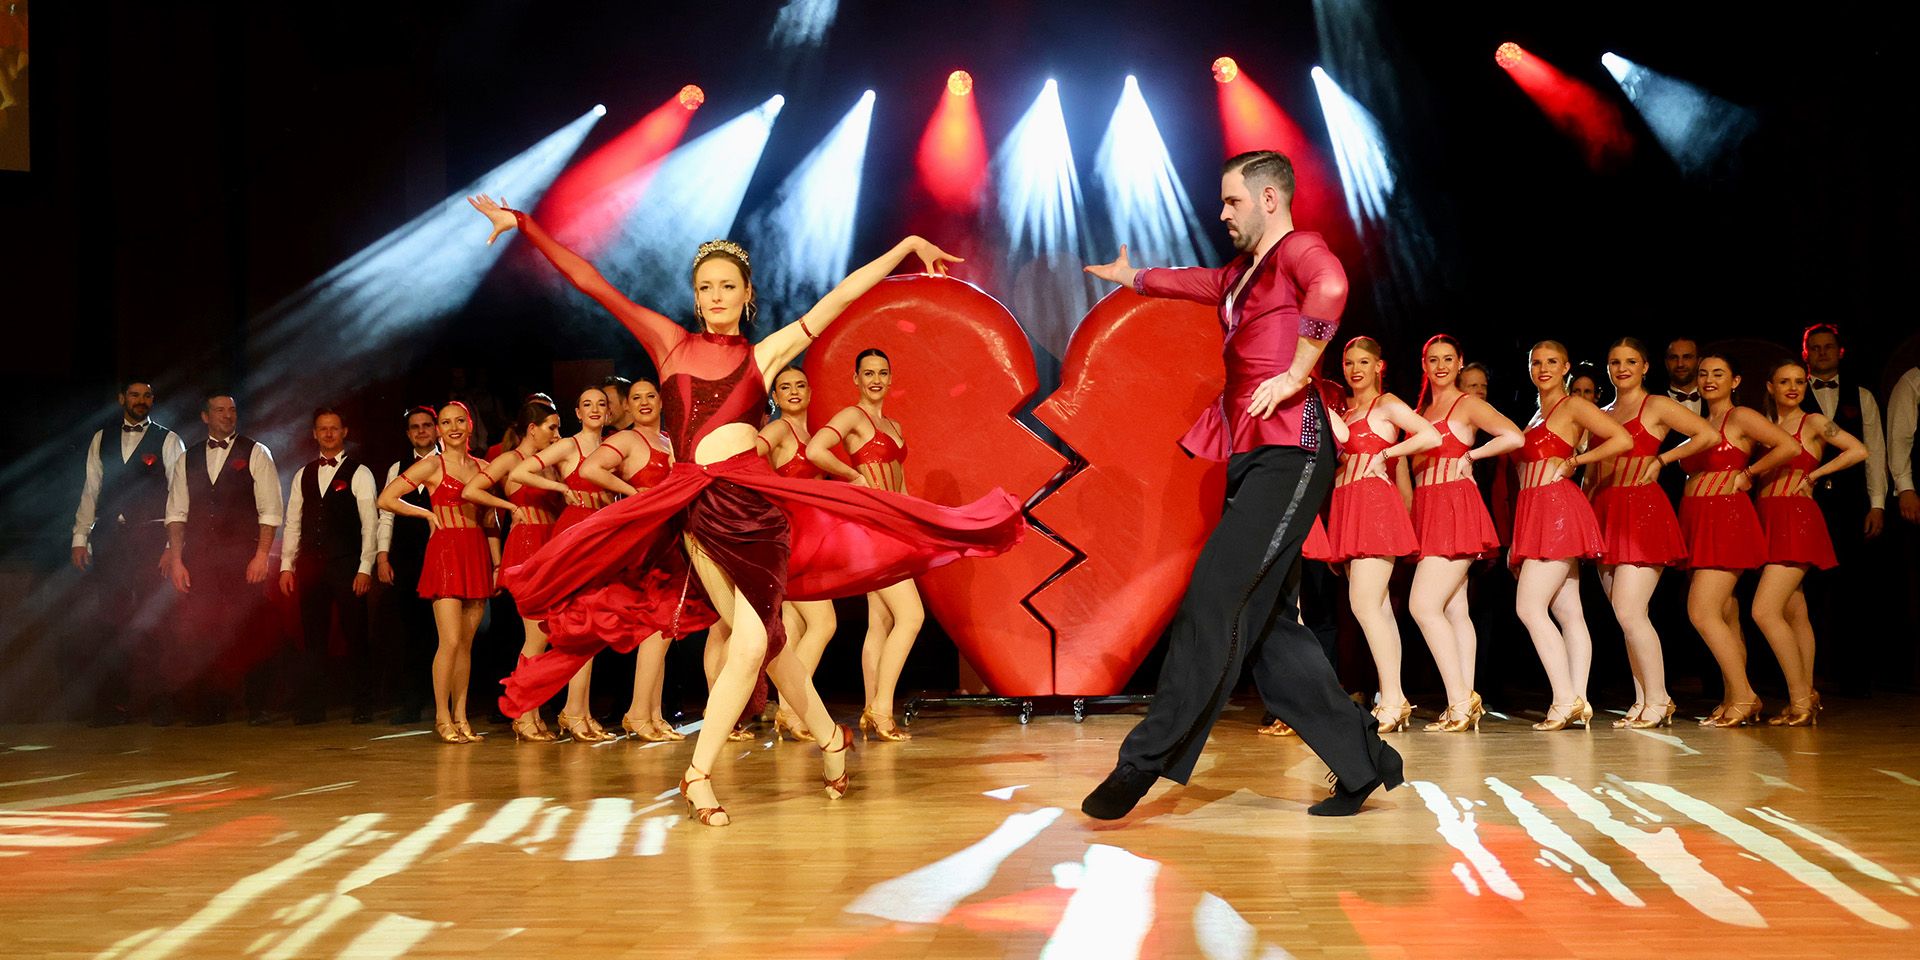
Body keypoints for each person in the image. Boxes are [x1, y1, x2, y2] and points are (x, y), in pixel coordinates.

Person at [471, 193, 1021, 826]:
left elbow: (838, 299)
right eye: (706, 286)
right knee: (762, 641)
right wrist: (526, 227)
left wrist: (902, 250)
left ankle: (698, 773)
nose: (716, 295)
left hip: (757, 511)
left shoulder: (762, 356)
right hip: (695, 508)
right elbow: (592, 281)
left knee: (757, 637)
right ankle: (831, 738)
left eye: (727, 285)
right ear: (696, 295)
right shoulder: (669, 346)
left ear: (746, 293)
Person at [1078, 150, 1403, 820]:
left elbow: (1333, 288)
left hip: (1294, 450)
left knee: (1211, 600)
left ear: (1270, 200)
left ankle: (1141, 764)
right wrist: (1134, 276)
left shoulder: (1298, 251)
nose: (1222, 213)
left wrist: (1297, 373)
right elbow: (1189, 282)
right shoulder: (1239, 273)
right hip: (1255, 457)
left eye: (1232, 202)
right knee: (1269, 631)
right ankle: (1361, 762)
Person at [1584, 338, 1720, 728]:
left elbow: (1706, 435)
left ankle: (1660, 699)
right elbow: (1593, 472)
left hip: (1643, 511)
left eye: (1630, 361)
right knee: (1626, 614)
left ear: (1645, 366)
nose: (1621, 368)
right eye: (1614, 362)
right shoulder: (1602, 410)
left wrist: (1663, 458)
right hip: (1607, 511)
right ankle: (1643, 698)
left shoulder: (1656, 405)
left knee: (1629, 611)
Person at [1320, 337, 1440, 733]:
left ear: (1379, 365)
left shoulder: (1386, 404)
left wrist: (1387, 455)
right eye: (1350, 362)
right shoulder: (1346, 410)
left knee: (1367, 607)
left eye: (1364, 361)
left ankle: (1392, 698)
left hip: (1374, 508)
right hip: (1347, 507)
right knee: (1378, 610)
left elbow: (1430, 436)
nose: (1356, 369)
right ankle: (1393, 698)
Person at [1509, 343, 1631, 731]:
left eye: (1551, 362)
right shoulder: (1533, 415)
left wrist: (1576, 461)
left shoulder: (1573, 406)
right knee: (1569, 613)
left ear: (1565, 367)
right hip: (1535, 512)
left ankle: (1564, 700)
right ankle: (1578, 698)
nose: (1543, 368)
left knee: (1529, 608)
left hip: (1558, 510)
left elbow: (1621, 440)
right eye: (1536, 362)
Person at [1408, 334, 1523, 732]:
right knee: (1455, 611)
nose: (1440, 366)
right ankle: (1464, 701)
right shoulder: (1421, 409)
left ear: (1460, 363)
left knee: (1423, 607)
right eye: (1432, 359)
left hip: (1454, 506)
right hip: (1428, 508)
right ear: (1424, 365)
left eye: (1447, 359)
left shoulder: (1466, 403)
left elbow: (1514, 436)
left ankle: (1460, 700)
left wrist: (1470, 456)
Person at [807, 349, 923, 741]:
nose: (875, 379)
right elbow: (815, 450)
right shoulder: (853, 417)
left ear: (891, 379)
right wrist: (853, 478)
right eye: (868, 373)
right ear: (855, 378)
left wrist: (915, 527)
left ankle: (872, 706)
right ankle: (882, 709)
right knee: (912, 617)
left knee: (881, 622)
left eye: (882, 373)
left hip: (893, 528)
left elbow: (901, 484)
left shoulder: (894, 424)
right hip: (870, 529)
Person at [1679, 353, 1800, 727]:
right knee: (1727, 615)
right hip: (1698, 519)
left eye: (1719, 374)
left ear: (1735, 381)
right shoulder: (1701, 421)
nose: (1709, 379)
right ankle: (1735, 695)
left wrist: (1749, 472)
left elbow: (1789, 447)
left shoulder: (1741, 416)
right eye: (1703, 374)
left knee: (1701, 611)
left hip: (1726, 519)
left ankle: (1746, 696)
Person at [376, 402, 500, 743]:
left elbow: (490, 520)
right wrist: (428, 516)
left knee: (467, 645)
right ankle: (442, 717)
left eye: (460, 420)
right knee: (450, 641)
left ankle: (461, 717)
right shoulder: (432, 465)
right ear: (440, 429)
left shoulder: (484, 467)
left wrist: (497, 563)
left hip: (475, 553)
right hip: (445, 553)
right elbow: (386, 499)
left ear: (470, 425)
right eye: (446, 422)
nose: (454, 427)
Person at [1755, 359, 1867, 726]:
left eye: (1799, 382)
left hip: (1796, 517)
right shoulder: (1766, 425)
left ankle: (1801, 698)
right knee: (1795, 612)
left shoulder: (1813, 422)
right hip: (1768, 517)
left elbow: (1857, 450)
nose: (1793, 388)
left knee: (1765, 610)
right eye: (1784, 381)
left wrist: (1816, 474)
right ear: (1770, 386)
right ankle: (1806, 695)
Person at [161, 393, 281, 725]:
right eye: (219, 410)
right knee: (203, 632)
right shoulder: (188, 458)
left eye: (232, 410)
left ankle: (258, 706)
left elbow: (270, 510)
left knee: (250, 630)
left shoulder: (256, 451)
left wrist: (261, 555)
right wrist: (177, 558)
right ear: (205, 416)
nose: (227, 416)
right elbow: (176, 512)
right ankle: (211, 707)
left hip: (244, 556)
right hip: (201, 558)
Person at [72, 379, 186, 725]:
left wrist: (172, 547)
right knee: (108, 622)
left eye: (148, 395)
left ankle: (159, 703)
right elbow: (91, 488)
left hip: (150, 538)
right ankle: (111, 705)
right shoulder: (101, 438)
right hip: (110, 538)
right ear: (122, 398)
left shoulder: (168, 439)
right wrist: (81, 537)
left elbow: (178, 495)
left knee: (155, 623)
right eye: (135, 395)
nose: (141, 400)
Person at [576, 378, 684, 743]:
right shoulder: (625, 439)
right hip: (645, 539)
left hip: (671, 537)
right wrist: (631, 493)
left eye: (650, 396)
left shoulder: (670, 441)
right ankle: (638, 714)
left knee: (664, 629)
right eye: (635, 398)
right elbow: (590, 470)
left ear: (661, 401)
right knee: (656, 628)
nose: (643, 402)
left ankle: (651, 713)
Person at [505, 386, 616, 741]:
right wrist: (560, 490)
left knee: (589, 630)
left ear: (610, 412)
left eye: (601, 404)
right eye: (587, 404)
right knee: (551, 631)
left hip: (602, 536)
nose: (595, 409)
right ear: (578, 413)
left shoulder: (615, 446)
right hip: (574, 534)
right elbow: (521, 472)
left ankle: (576, 712)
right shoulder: (569, 445)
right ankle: (528, 711)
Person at [459, 397, 564, 741]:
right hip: (527, 545)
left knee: (545, 636)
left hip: (550, 542)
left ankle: (530, 712)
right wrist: (507, 505)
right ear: (532, 429)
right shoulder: (510, 459)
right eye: (552, 427)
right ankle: (523, 713)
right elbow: (471, 489)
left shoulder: (548, 461)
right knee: (536, 636)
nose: (557, 433)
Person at [1799, 324, 1888, 696]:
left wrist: (1878, 504)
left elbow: (1876, 451)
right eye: (1814, 348)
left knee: (1855, 593)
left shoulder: (1862, 395)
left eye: (1828, 347)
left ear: (1840, 352)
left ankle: (1856, 678)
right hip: (1805, 503)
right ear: (1806, 354)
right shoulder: (1794, 393)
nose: (1821, 353)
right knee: (1807, 592)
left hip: (1851, 505)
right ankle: (1805, 678)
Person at [279, 408, 378, 724]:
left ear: (344, 431)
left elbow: (370, 524)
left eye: (334, 428)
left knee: (355, 635)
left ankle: (363, 705)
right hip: (311, 565)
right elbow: (293, 522)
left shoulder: (359, 472)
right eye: (323, 429)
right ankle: (313, 707)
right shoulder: (303, 474)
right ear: (314, 433)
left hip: (347, 564)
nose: (329, 433)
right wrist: (286, 565)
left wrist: (365, 567)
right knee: (313, 639)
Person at [756, 365, 838, 742]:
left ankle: (789, 709)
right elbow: (749, 458)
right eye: (784, 387)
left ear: (810, 392)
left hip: (809, 538)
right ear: (774, 396)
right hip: (791, 538)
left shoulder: (809, 433)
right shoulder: (778, 430)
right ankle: (790, 709)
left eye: (800, 385)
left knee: (796, 630)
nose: (793, 391)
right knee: (824, 624)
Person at [376, 407, 439, 724]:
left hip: (443, 555)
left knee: (444, 633)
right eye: (415, 427)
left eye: (427, 425)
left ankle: (448, 703)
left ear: (437, 429)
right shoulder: (397, 468)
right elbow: (386, 513)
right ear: (408, 433)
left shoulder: (450, 463)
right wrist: (382, 555)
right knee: (410, 633)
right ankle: (412, 703)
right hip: (406, 557)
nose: (421, 431)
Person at [1663, 337, 1703, 416]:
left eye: (1687, 357)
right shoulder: (1654, 401)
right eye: (1674, 358)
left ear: (1699, 361)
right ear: (1666, 363)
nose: (1680, 364)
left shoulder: (1712, 398)